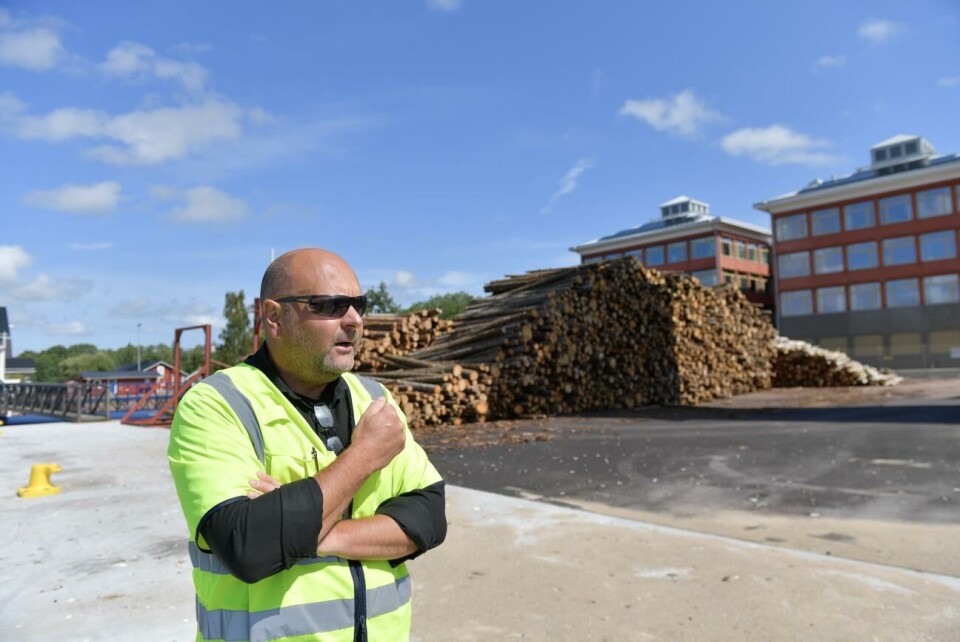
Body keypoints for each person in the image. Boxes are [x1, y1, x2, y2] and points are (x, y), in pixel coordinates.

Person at [168, 248, 447, 642]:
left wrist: (311, 531)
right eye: (330, 305)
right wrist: (363, 455)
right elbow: (248, 545)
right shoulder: (217, 404)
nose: (354, 320)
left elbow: (429, 516)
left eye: (359, 305)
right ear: (274, 317)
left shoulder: (374, 399)